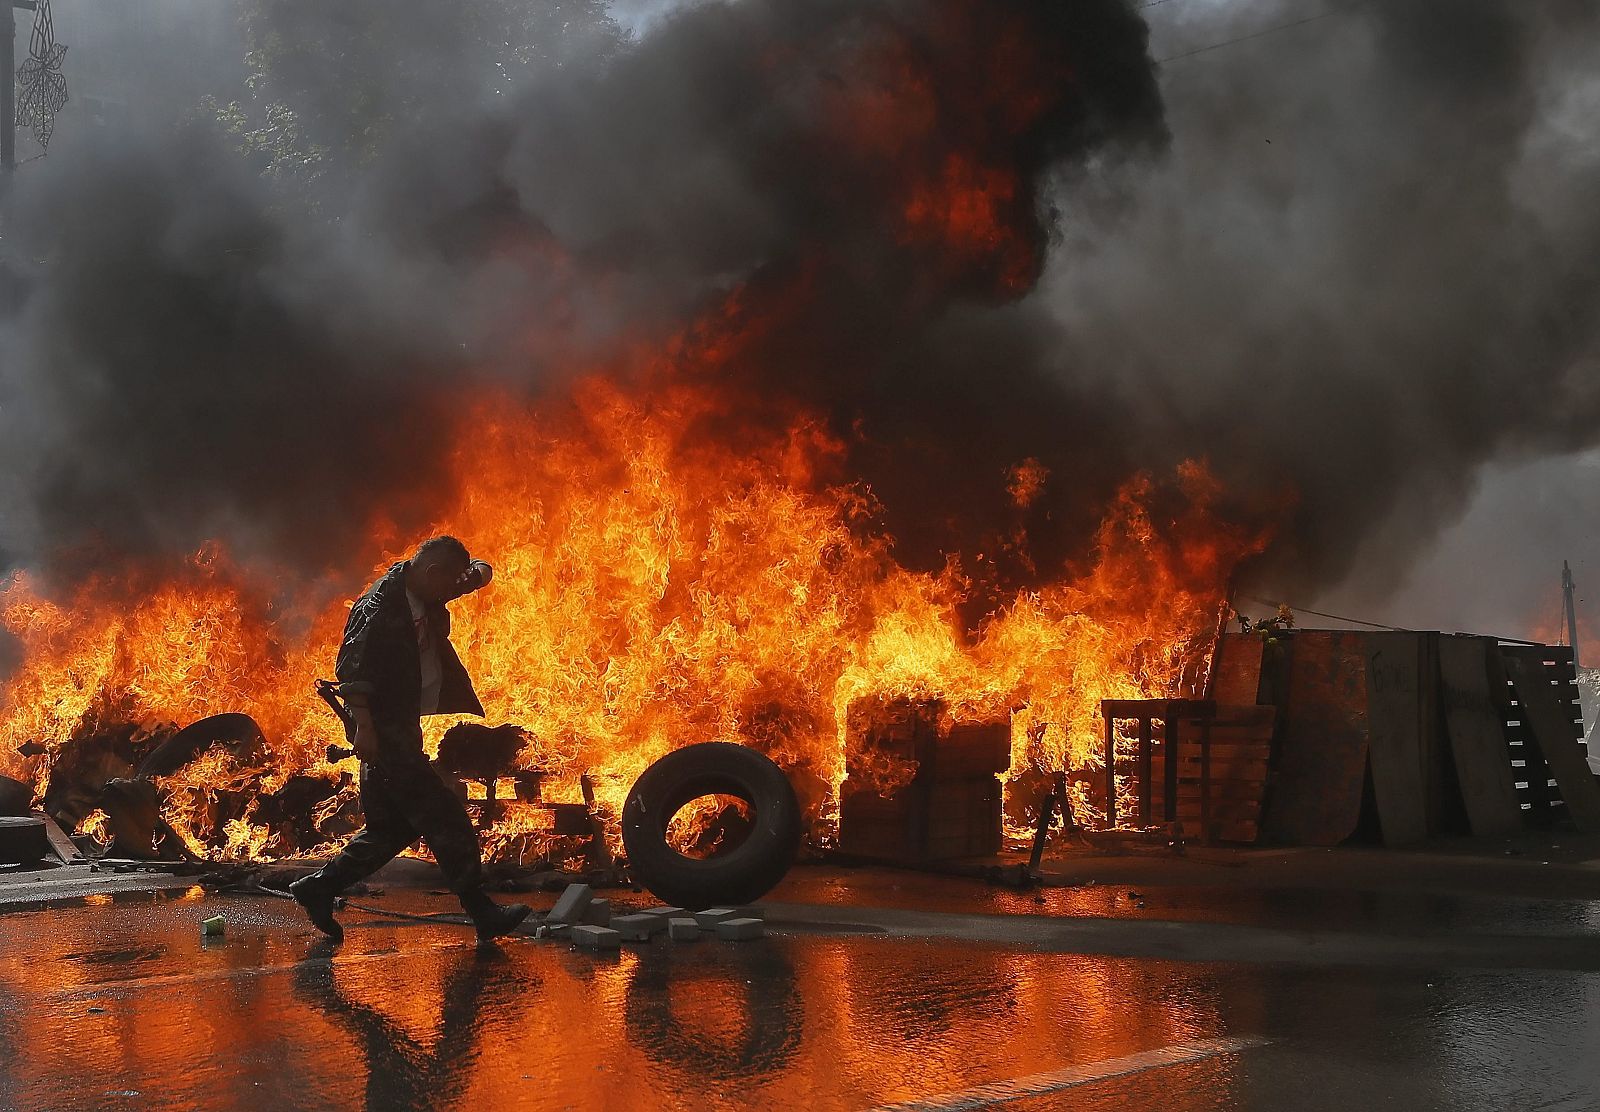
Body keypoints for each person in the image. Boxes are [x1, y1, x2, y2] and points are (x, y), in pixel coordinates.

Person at [290, 535, 531, 944]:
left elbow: (472, 576)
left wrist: (480, 574)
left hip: (403, 722)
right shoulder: (380, 609)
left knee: (390, 830)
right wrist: (365, 728)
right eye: (448, 583)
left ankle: (319, 887)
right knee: (445, 814)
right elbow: (353, 671)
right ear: (432, 574)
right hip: (384, 728)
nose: (452, 591)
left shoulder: (428, 582)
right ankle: (481, 911)